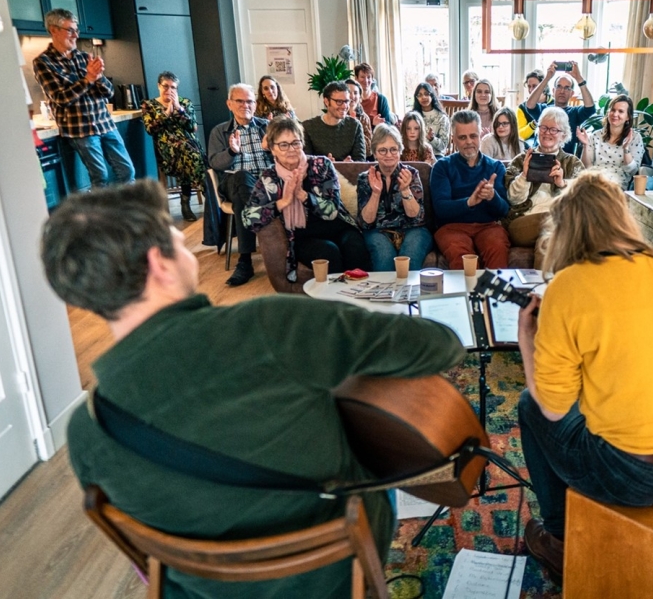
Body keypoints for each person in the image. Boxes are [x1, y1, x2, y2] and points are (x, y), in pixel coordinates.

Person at [42, 179, 464, 599]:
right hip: (329, 573)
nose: (184, 245)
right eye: (176, 238)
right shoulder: (269, 325)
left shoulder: (85, 430)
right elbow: (438, 346)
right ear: (159, 264)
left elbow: (142, 556)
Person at [516, 172, 653, 583]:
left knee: (530, 407)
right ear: (622, 217)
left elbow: (553, 404)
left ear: (565, 229)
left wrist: (527, 337)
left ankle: (560, 541)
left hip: (632, 476)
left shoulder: (568, 286)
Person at [244, 116, 371, 279]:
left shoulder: (321, 165)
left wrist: (303, 196)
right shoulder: (270, 177)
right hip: (304, 237)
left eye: (295, 143)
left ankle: (363, 298)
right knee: (327, 252)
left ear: (302, 143)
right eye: (283, 144)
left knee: (355, 247)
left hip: (338, 226)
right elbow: (248, 219)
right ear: (272, 149)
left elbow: (332, 210)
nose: (291, 149)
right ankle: (337, 301)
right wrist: (282, 203)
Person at [33, 9, 135, 187]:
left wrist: (98, 77)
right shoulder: (43, 63)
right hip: (80, 129)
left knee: (127, 170)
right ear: (53, 30)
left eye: (76, 30)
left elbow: (109, 92)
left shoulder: (84, 57)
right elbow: (61, 98)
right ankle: (100, 215)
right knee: (100, 177)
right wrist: (88, 79)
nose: (75, 35)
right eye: (70, 30)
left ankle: (128, 212)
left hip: (104, 122)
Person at [207, 83, 272, 287]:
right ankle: (260, 250)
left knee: (246, 193)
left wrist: (271, 149)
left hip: (266, 182)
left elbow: (288, 155)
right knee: (242, 178)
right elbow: (215, 163)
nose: (246, 105)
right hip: (234, 181)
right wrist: (232, 152)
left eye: (250, 101)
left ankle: (245, 261)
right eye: (240, 101)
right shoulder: (220, 131)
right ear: (229, 104)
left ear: (255, 104)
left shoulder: (267, 128)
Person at [503, 107, 583, 270]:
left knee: (547, 240)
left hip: (555, 226)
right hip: (522, 222)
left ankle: (542, 292)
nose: (547, 133)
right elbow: (512, 198)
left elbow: (582, 200)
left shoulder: (572, 163)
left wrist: (563, 184)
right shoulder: (520, 160)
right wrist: (524, 176)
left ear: (563, 135)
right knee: (558, 219)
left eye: (554, 129)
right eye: (544, 127)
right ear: (538, 130)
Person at [430, 110, 510, 270]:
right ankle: (465, 295)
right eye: (462, 137)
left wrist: (492, 196)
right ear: (453, 139)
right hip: (452, 227)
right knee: (461, 256)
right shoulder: (442, 167)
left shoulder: (495, 167)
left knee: (497, 247)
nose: (469, 142)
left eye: (473, 136)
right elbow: (440, 209)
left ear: (480, 135)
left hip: (488, 226)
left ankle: (493, 295)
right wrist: (469, 202)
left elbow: (504, 210)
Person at [357, 124, 432, 271]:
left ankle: (409, 294)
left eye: (393, 149)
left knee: (408, 260)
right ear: (375, 153)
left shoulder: (412, 174)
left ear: (400, 150)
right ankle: (384, 294)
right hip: (377, 231)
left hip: (413, 229)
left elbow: (416, 217)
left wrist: (405, 189)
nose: (389, 155)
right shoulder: (365, 178)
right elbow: (366, 222)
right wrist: (376, 193)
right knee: (384, 258)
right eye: (382, 150)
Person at [140, 71, 206, 222]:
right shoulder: (149, 105)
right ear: (158, 86)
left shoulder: (185, 103)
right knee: (190, 154)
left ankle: (186, 204)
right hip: (167, 150)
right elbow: (150, 129)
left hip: (188, 146)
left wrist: (178, 109)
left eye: (173, 87)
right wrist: (166, 113)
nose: (169, 90)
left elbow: (192, 127)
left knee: (188, 153)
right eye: (165, 86)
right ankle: (208, 194)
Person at [521, 62, 596, 155]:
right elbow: (530, 105)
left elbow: (590, 107)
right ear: (553, 91)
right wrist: (547, 78)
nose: (562, 91)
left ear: (572, 93)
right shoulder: (544, 110)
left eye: (567, 88)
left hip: (564, 161)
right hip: (539, 156)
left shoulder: (575, 113)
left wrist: (579, 78)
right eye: (559, 86)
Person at [576, 94, 646, 190]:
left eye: (620, 111)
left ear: (628, 117)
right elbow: (587, 167)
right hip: (594, 180)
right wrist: (585, 145)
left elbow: (632, 171)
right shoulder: (595, 136)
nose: (615, 114)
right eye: (613, 110)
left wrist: (626, 149)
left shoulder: (635, 137)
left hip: (616, 185)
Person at [301, 81, 366, 162]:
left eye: (347, 101)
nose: (344, 106)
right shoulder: (308, 127)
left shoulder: (355, 126)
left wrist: (348, 166)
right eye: (339, 102)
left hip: (348, 174)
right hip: (319, 174)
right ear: (326, 102)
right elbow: (305, 161)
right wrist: (325, 165)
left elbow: (360, 161)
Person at [411, 82, 450, 155]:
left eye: (426, 94)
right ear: (416, 98)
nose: (423, 97)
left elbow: (443, 146)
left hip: (436, 155)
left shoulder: (442, 117)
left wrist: (432, 139)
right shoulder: (413, 116)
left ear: (432, 95)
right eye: (420, 95)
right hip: (416, 154)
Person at [517, 69, 548, 146]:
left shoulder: (553, 104)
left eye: (535, 86)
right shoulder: (522, 108)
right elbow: (521, 134)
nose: (531, 90)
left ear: (543, 86)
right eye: (529, 86)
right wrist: (534, 123)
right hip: (530, 144)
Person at [345, 78, 374, 150]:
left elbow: (369, 148)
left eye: (355, 93)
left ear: (360, 96)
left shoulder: (364, 118)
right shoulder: (337, 115)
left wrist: (355, 128)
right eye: (348, 92)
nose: (352, 96)